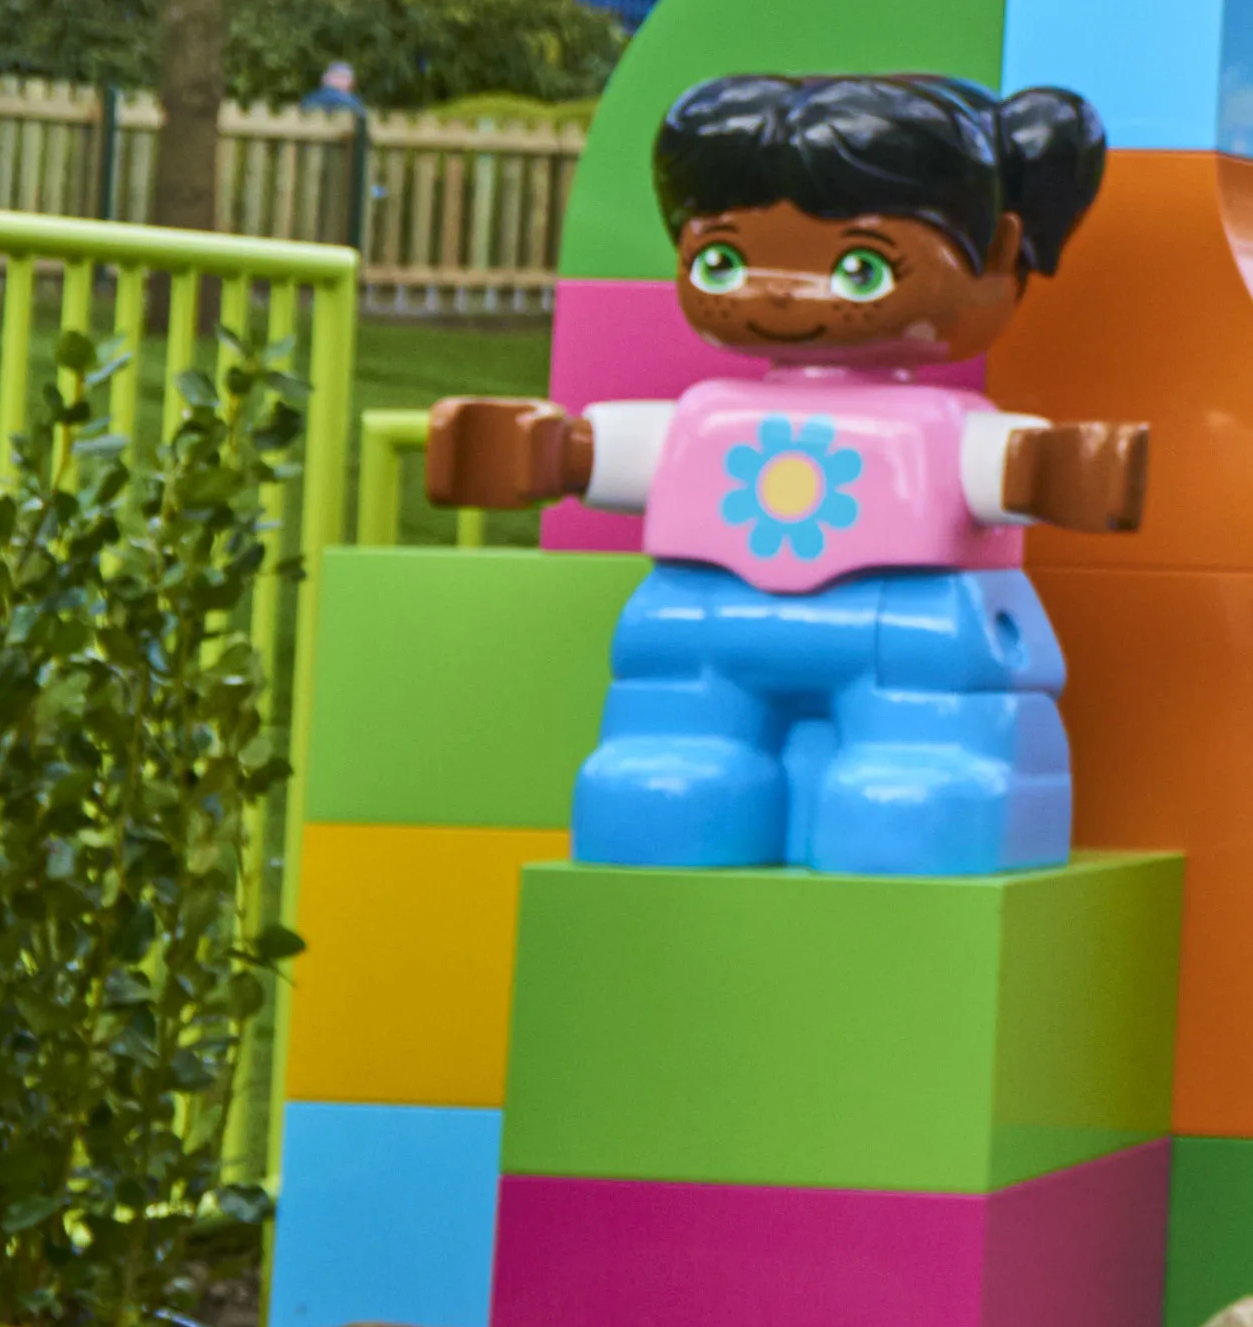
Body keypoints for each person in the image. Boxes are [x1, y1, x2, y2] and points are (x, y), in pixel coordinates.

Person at [415, 71, 1146, 873]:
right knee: (673, 734)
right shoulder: (707, 414)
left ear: (1000, 253)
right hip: (706, 616)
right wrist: (545, 450)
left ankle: (927, 782)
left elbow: (1013, 469)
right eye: (723, 262)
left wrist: (1064, 471)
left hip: (906, 626)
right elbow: (616, 453)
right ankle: (684, 772)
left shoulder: (943, 430)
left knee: (919, 746)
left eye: (861, 268)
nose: (780, 298)